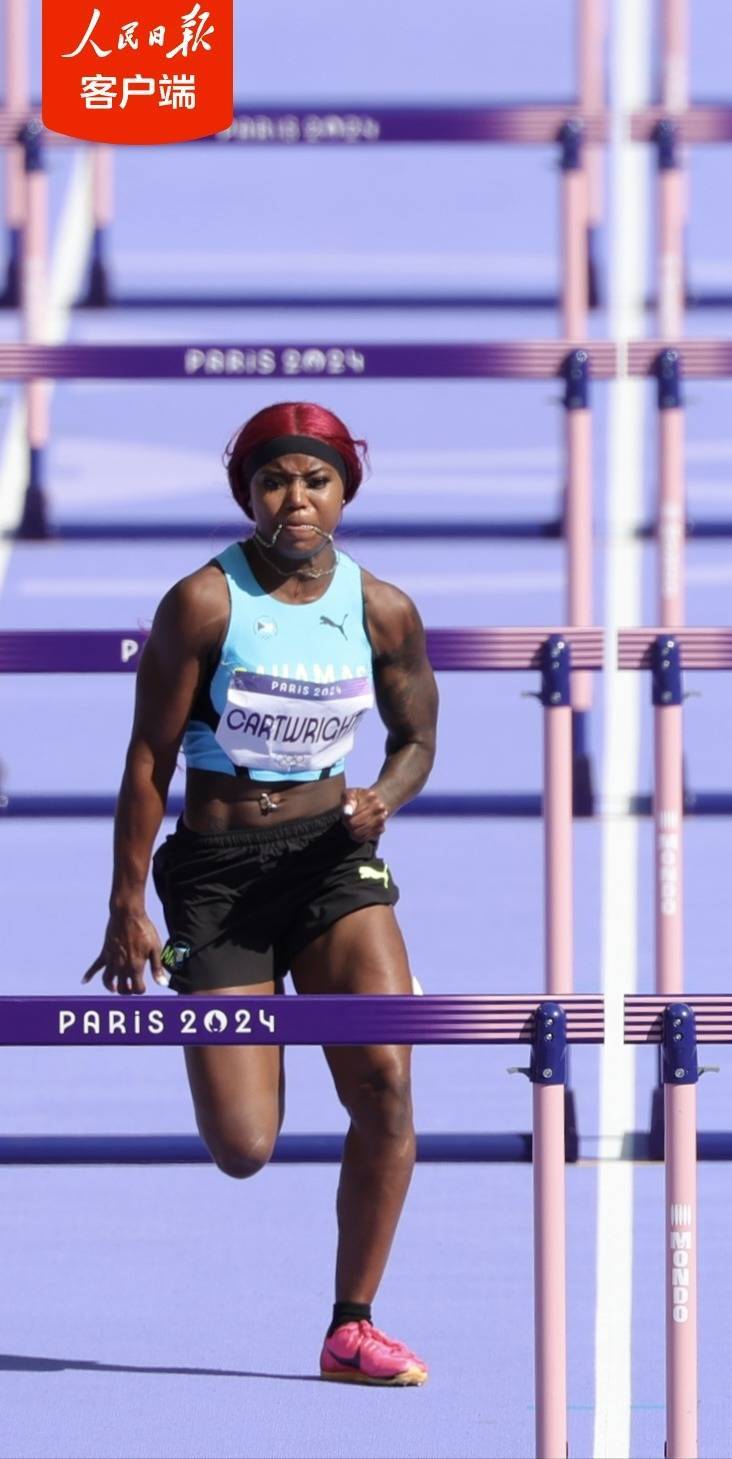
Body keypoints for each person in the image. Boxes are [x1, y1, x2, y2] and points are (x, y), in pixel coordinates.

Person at [85, 402, 441, 1384]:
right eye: (275, 479)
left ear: (344, 491)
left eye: (315, 479)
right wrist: (128, 904)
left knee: (387, 1079)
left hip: (329, 859)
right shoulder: (201, 603)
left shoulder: (382, 610)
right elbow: (149, 758)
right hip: (218, 875)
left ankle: (351, 1326)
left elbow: (417, 738)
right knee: (245, 1144)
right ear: (246, 492)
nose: (296, 498)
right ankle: (251, 1010)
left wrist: (385, 796)